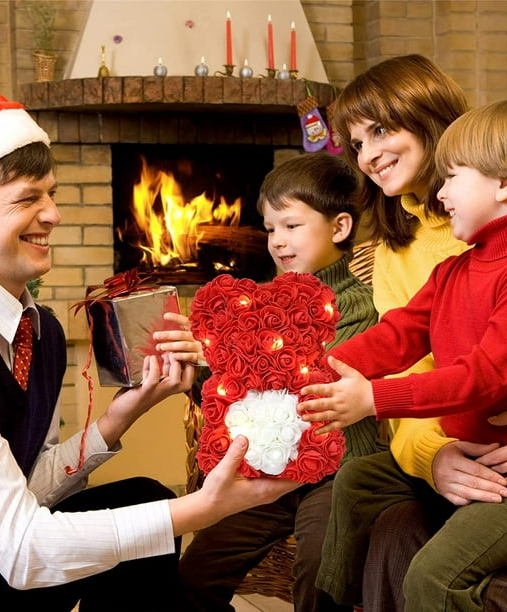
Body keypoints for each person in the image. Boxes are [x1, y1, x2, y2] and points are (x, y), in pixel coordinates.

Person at [0, 79, 298, 611]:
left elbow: (28, 488)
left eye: (51, 194)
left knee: (143, 497)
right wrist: (204, 508)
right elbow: (22, 548)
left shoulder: (35, 328)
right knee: (158, 518)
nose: (53, 215)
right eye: (27, 198)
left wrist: (121, 417)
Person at [303, 99, 507, 611]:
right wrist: (315, 369)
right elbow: (398, 334)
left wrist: (374, 398)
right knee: (358, 479)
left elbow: (483, 376)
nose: (438, 195)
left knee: (436, 576)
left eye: (451, 178)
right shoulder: (454, 271)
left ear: (506, 182)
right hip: (468, 449)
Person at [155, 151, 380, 611]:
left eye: (292, 226)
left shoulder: (358, 305)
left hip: (332, 470)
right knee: (195, 571)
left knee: (321, 570)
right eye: (271, 227)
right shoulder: (255, 302)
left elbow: (313, 387)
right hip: (265, 466)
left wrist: (220, 358)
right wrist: (193, 369)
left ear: (339, 228)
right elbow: (233, 394)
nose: (277, 241)